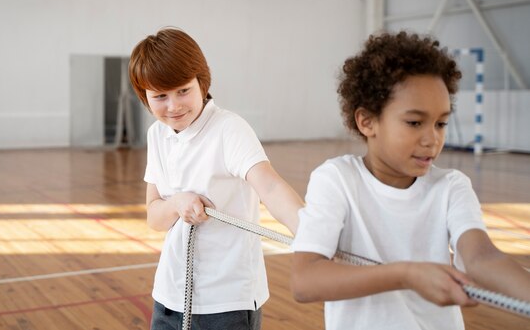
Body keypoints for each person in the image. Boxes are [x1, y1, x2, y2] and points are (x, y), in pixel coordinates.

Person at [290, 31, 530, 330]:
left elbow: (482, 257)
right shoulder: (337, 180)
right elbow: (304, 281)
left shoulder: (451, 186)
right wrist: (406, 275)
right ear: (367, 121)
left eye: (441, 123)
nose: (432, 139)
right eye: (414, 122)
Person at [128, 27, 304, 330]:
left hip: (227, 303)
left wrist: (311, 230)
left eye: (183, 90)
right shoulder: (157, 135)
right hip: (170, 298)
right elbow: (155, 218)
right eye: (160, 96)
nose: (174, 106)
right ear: (145, 97)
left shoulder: (229, 129)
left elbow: (270, 187)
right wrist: (177, 203)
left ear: (201, 81)